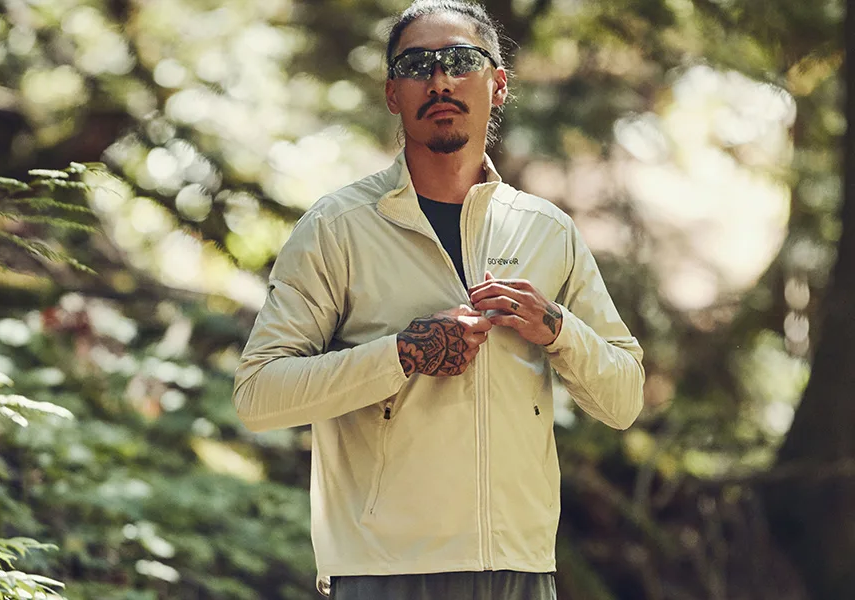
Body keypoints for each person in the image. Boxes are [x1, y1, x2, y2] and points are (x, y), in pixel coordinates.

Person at [232, 1, 645, 598]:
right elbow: (258, 396)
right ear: (392, 94)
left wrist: (558, 328)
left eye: (460, 60)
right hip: (384, 571)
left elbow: (624, 398)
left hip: (520, 568)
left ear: (498, 85)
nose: (440, 80)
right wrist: (402, 354)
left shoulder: (547, 231)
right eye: (416, 65)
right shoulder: (336, 228)